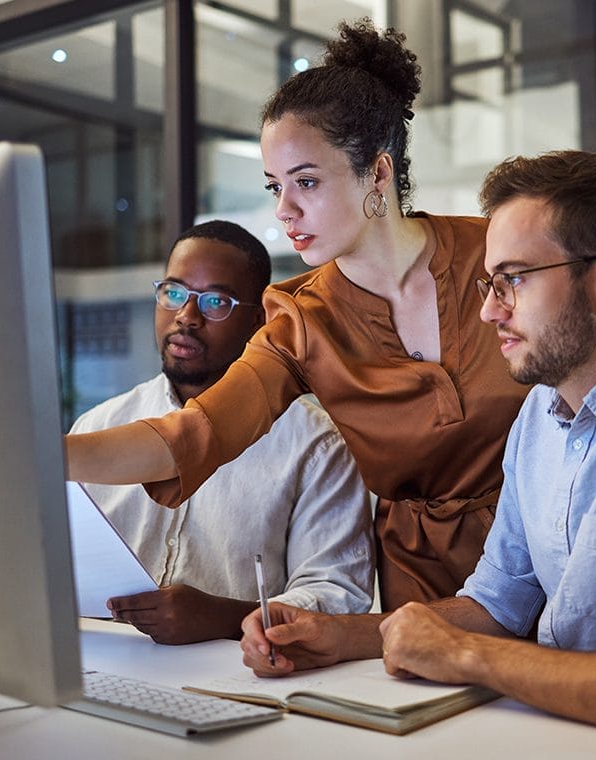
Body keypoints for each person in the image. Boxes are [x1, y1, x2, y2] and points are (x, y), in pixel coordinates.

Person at [238, 151, 596, 759]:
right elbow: (496, 603)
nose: (488, 310)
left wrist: (468, 656)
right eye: (489, 283)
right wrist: (341, 636)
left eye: (514, 280)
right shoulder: (539, 414)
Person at [65, 19, 529, 609]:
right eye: (274, 187)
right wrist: (43, 453)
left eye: (305, 182)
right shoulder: (299, 319)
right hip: (421, 587)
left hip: (547, 548)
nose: (285, 210)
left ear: (378, 173)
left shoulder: (498, 255)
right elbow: (191, 435)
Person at [70, 220, 374, 644]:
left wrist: (223, 617)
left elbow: (339, 595)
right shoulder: (100, 426)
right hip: (101, 661)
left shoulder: (316, 445)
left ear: (258, 320)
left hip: (240, 674)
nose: (186, 316)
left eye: (216, 302)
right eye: (173, 293)